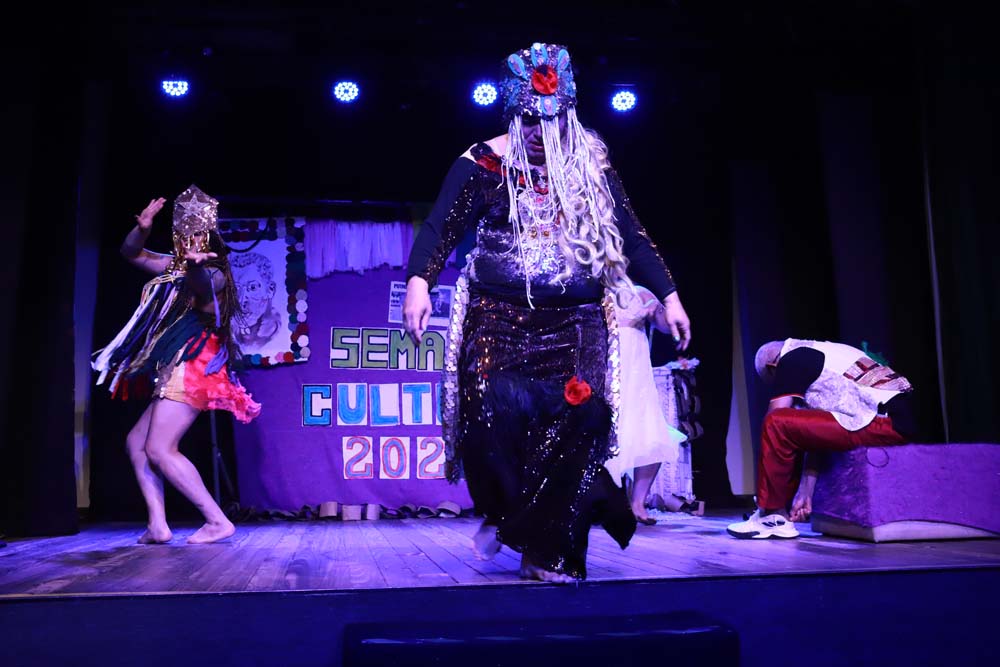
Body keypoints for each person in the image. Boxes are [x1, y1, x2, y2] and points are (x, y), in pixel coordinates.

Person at [403, 43, 691, 581]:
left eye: (551, 119)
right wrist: (420, 282)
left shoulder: (591, 164)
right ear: (513, 114)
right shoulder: (483, 163)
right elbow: (440, 228)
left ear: (568, 114)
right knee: (489, 410)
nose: (540, 131)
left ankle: (546, 553)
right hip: (498, 316)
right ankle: (509, 516)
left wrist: (669, 296)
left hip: (575, 323)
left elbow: (631, 235)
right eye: (530, 120)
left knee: (580, 420)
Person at [93, 185, 261, 545]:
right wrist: (142, 229)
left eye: (197, 235)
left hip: (194, 366)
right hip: (174, 366)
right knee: (136, 443)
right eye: (185, 234)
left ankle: (217, 520)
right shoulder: (174, 266)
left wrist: (197, 266)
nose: (190, 241)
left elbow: (202, 285)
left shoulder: (214, 273)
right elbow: (131, 253)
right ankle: (157, 525)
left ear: (209, 237)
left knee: (159, 449)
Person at [727, 338, 916, 539]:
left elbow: (775, 418)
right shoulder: (822, 351)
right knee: (791, 423)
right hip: (896, 421)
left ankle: (772, 515)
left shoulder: (792, 358)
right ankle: (776, 513)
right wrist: (805, 492)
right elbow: (815, 437)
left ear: (772, 367)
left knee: (776, 422)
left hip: (886, 422)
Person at [603, 285, 691, 524]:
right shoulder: (592, 290)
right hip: (607, 366)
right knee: (605, 431)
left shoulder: (639, 292)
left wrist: (659, 310)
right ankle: (601, 502)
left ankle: (638, 503)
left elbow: (664, 325)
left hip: (637, 374)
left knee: (651, 436)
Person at [231, 252, 282, 350]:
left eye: (252, 287)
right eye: (236, 289)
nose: (241, 300)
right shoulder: (229, 331)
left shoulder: (278, 335)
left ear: (270, 290)